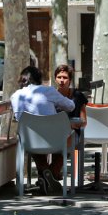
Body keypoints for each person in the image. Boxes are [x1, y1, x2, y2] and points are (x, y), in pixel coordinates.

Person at [10, 65, 74, 195]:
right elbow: (71, 106)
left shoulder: (15, 96)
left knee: (32, 136)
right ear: (39, 79)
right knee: (69, 137)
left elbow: (18, 117)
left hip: (29, 141)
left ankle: (44, 175)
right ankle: (52, 172)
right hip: (54, 141)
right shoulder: (48, 91)